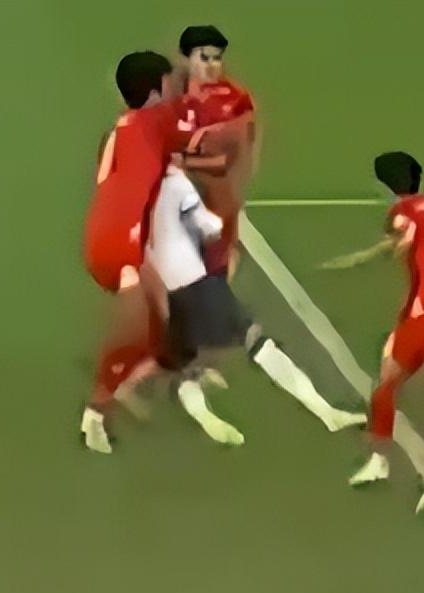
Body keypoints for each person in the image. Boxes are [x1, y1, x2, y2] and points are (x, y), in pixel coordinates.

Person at [147, 155, 365, 444]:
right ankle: (325, 412)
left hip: (168, 290)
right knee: (258, 342)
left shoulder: (139, 202)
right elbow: (213, 236)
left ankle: (202, 414)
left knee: (185, 369)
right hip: (201, 284)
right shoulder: (179, 188)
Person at [322, 152, 424, 512]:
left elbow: (405, 244)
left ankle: (379, 460)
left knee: (387, 379)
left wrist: (364, 261)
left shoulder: (401, 212)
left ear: (385, 186)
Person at [80, 51, 194, 453]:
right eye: (167, 83)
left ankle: (124, 384)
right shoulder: (153, 121)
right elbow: (194, 126)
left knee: (166, 315)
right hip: (121, 241)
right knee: (139, 325)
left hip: (108, 234)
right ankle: (98, 408)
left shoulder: (123, 128)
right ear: (155, 91)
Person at [177, 25, 258, 279]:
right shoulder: (170, 94)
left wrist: (185, 161)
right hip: (175, 200)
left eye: (217, 58)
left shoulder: (235, 101)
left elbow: (230, 160)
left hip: (215, 199)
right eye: (204, 58)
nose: (212, 65)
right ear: (186, 59)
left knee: (216, 271)